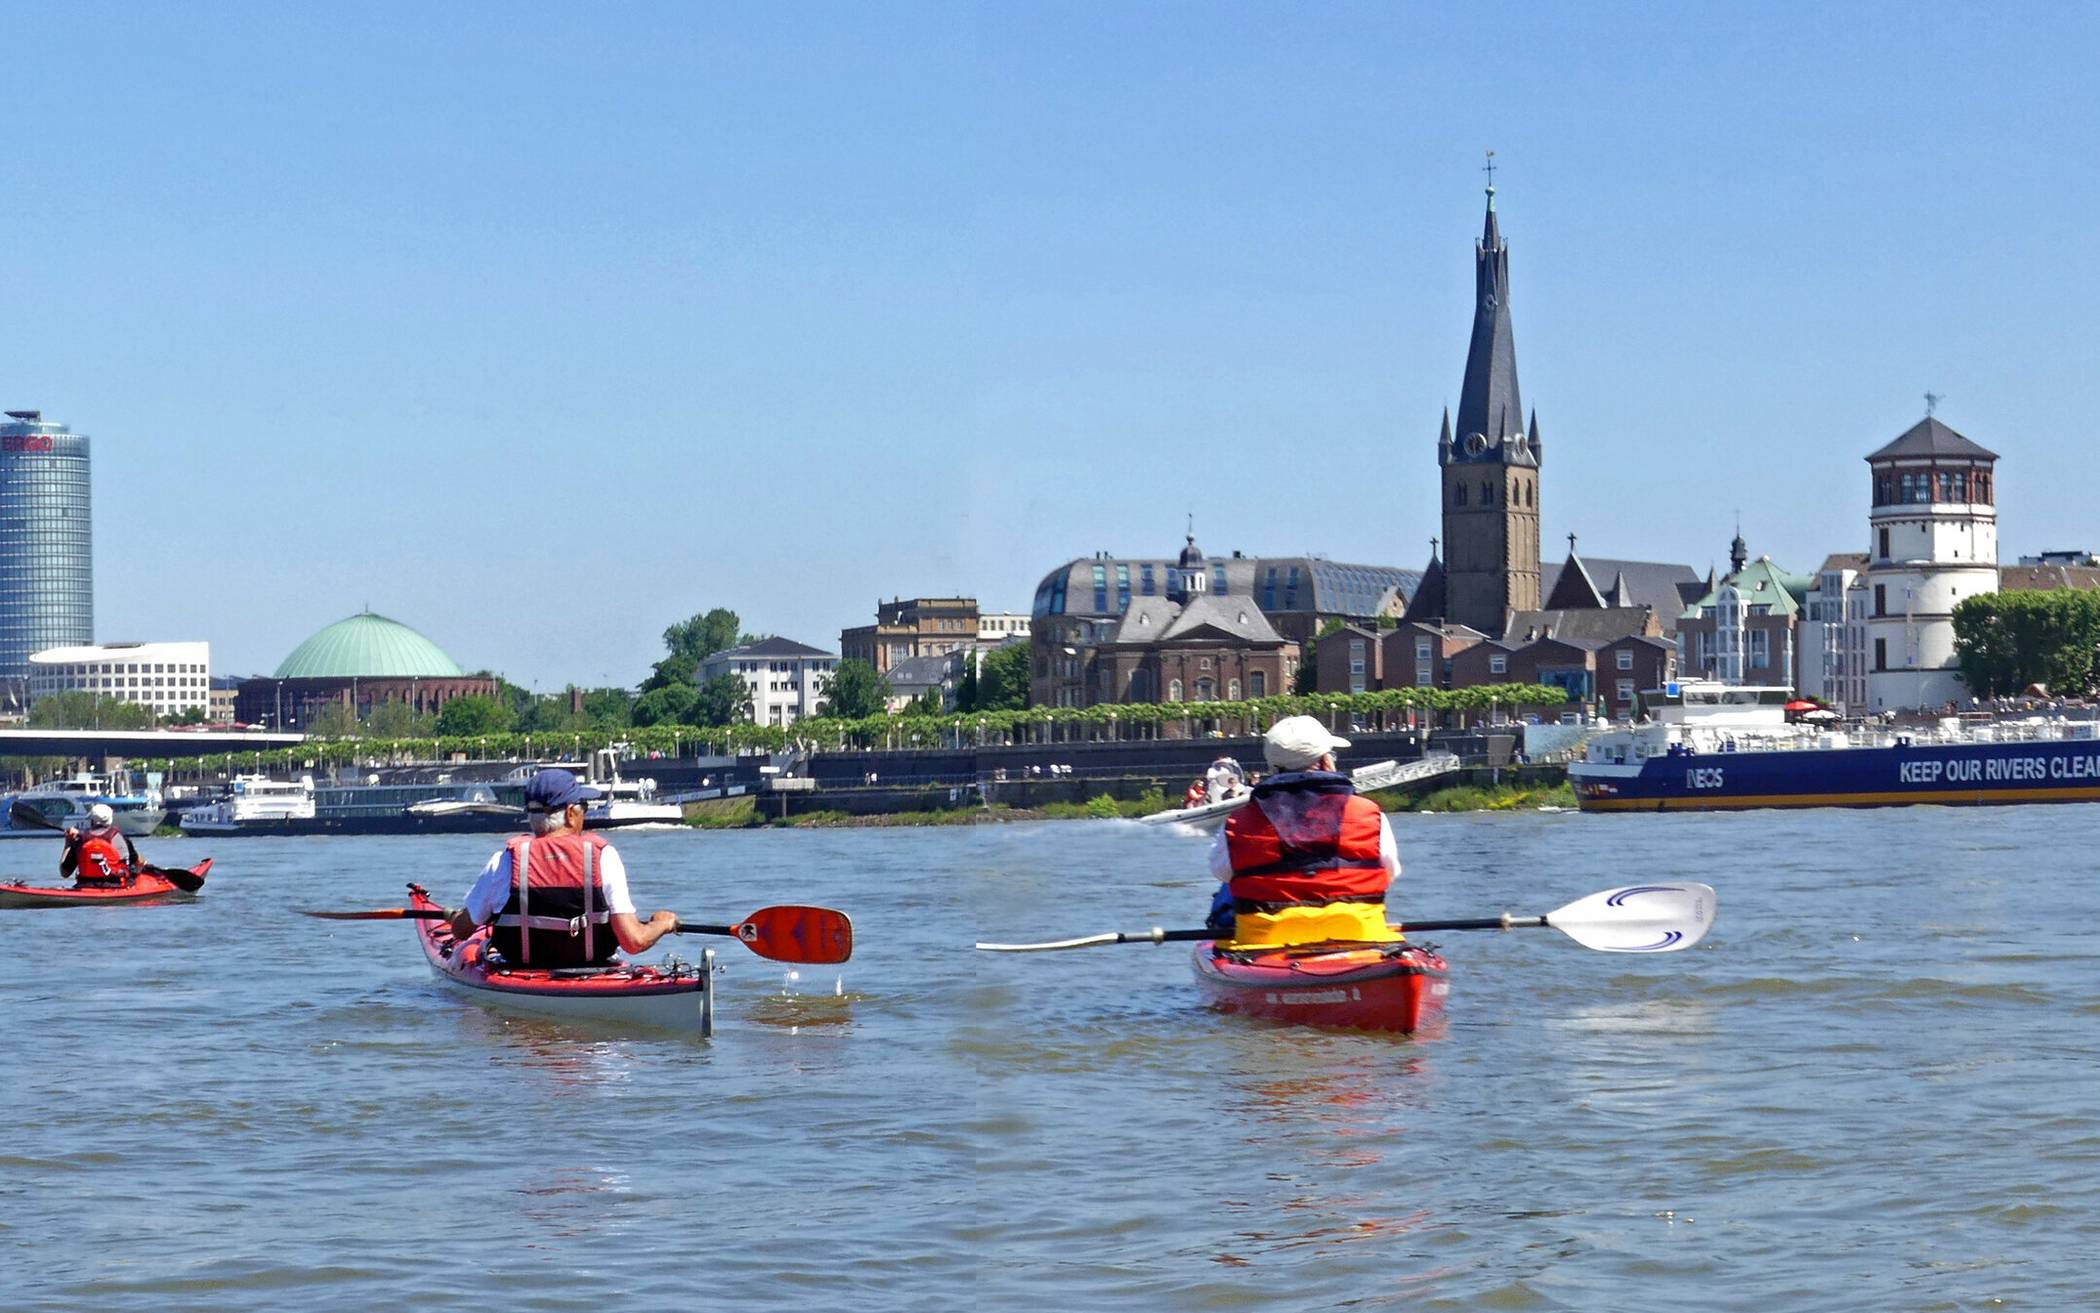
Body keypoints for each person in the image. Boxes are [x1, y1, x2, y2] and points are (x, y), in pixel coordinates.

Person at [445, 768, 678, 968]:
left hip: (520, 972)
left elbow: (462, 931)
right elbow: (633, 942)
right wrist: (662, 924)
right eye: (583, 806)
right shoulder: (603, 857)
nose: (585, 813)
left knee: (480, 946)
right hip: (593, 972)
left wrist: (456, 918)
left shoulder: (503, 861)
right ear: (570, 813)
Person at [1203, 716, 1402, 948]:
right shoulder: (1369, 813)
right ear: (1326, 761)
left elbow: (1221, 872)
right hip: (1359, 932)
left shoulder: (1238, 821)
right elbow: (1390, 872)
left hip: (1266, 939)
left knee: (1228, 890)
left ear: (1274, 768)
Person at [61, 803, 140, 888]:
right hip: (115, 886)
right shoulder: (122, 839)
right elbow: (136, 862)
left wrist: (68, 844)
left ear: (92, 821)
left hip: (84, 886)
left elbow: (64, 873)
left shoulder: (80, 840)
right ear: (110, 820)